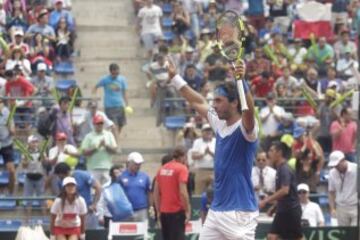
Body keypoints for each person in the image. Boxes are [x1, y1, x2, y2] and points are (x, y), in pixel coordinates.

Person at [167, 59, 259, 239]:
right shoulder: (218, 123)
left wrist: (241, 81)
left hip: (239, 212)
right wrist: (175, 78)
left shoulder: (246, 128)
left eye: (219, 100)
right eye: (214, 100)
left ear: (234, 103)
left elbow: (249, 112)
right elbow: (197, 100)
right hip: (216, 210)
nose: (214, 104)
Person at [259, 141, 303, 240]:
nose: (269, 153)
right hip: (283, 210)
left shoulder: (284, 169)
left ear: (279, 153)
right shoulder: (280, 168)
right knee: (272, 237)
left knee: (297, 238)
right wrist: (274, 207)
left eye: (271, 150)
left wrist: (266, 200)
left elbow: (285, 190)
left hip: (291, 210)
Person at [154, 146, 191, 240]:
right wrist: (187, 210)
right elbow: (183, 192)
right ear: (183, 157)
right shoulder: (182, 168)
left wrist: (158, 210)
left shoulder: (161, 169)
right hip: (177, 211)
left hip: (164, 211)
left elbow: (156, 192)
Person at [54, 162, 102, 229]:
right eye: (59, 177)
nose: (61, 179)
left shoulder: (82, 175)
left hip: (87, 211)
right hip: (71, 213)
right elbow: (62, 196)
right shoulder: (60, 181)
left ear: (68, 172)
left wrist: (94, 204)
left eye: (62, 177)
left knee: (90, 234)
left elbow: (98, 187)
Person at [93, 63, 129, 137]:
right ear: (110, 72)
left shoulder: (122, 79)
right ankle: (114, 139)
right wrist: (94, 96)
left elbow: (125, 92)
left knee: (121, 124)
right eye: (114, 73)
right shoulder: (105, 79)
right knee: (113, 125)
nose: (115, 75)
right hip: (109, 106)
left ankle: (115, 137)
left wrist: (127, 104)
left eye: (117, 73)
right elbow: (95, 87)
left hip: (120, 105)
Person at [81, 114, 117, 185]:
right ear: (94, 124)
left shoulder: (108, 135)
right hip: (93, 168)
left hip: (107, 167)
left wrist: (106, 145)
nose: (99, 125)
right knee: (94, 190)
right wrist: (96, 147)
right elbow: (84, 152)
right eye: (98, 123)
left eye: (101, 123)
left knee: (107, 189)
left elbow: (115, 150)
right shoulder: (89, 136)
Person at [328, 150, 358, 226]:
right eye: (334, 166)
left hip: (355, 206)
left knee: (356, 233)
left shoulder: (356, 169)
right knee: (344, 234)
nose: (336, 167)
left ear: (343, 160)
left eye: (337, 165)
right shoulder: (332, 172)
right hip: (340, 207)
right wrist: (332, 208)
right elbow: (331, 192)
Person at [118, 152, 151, 221]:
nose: (138, 166)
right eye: (136, 164)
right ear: (129, 163)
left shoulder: (144, 176)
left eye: (140, 164)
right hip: (126, 211)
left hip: (142, 210)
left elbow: (148, 193)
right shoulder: (120, 177)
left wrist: (150, 206)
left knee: (142, 231)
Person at [190, 123, 215, 194]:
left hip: (213, 171)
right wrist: (204, 154)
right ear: (202, 132)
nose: (208, 132)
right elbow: (193, 156)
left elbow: (220, 157)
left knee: (215, 194)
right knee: (198, 193)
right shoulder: (197, 142)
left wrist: (210, 152)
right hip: (200, 171)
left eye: (210, 130)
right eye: (206, 130)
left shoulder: (216, 141)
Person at [0, 99, 16, 195]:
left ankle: (11, 194)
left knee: (12, 171)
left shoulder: (7, 112)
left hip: (7, 144)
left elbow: (13, 131)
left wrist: (11, 129)